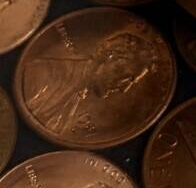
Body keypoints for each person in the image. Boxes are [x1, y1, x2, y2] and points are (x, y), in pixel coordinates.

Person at [24, 29, 160, 137]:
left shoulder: (79, 96)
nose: (124, 89)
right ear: (111, 57)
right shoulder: (41, 72)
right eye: (128, 77)